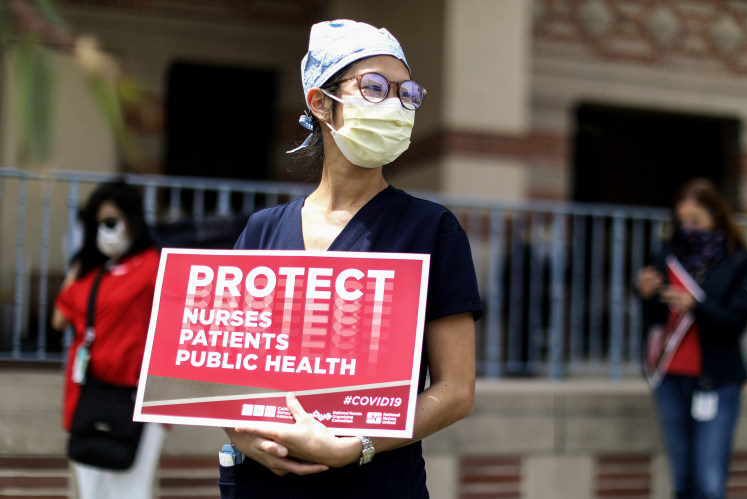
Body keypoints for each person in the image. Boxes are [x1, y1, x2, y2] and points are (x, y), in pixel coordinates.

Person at [219, 19, 483, 498]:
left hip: (375, 484)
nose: (396, 105)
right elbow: (228, 371)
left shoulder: (430, 229)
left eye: (407, 93)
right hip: (263, 483)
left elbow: (456, 391)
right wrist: (239, 435)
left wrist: (356, 445)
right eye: (375, 88)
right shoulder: (262, 230)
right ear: (321, 102)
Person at [635, 178, 747, 499]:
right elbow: (656, 320)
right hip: (670, 379)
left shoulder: (738, 260)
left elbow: (735, 323)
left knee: (710, 483)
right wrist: (647, 295)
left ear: (716, 214)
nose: (688, 228)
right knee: (683, 482)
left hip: (716, 381)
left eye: (696, 220)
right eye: (682, 220)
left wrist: (696, 306)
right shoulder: (667, 254)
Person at [52, 180, 166, 499]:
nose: (105, 230)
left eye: (112, 221)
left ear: (132, 220)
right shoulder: (90, 272)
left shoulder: (154, 266)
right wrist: (76, 270)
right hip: (89, 393)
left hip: (136, 397)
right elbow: (59, 319)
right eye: (98, 223)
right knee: (91, 491)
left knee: (131, 491)